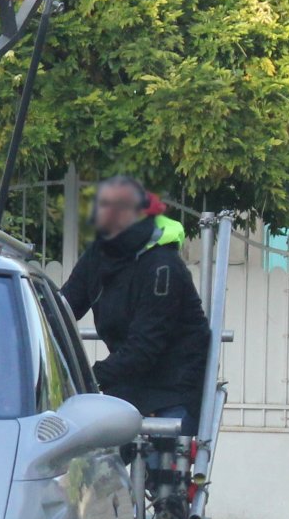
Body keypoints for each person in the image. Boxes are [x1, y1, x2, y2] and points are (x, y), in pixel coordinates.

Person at [60, 175, 210, 434]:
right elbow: (61, 311)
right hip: (125, 384)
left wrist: (88, 377)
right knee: (89, 458)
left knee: (160, 464)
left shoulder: (163, 267)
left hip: (171, 390)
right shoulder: (97, 255)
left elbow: (145, 347)